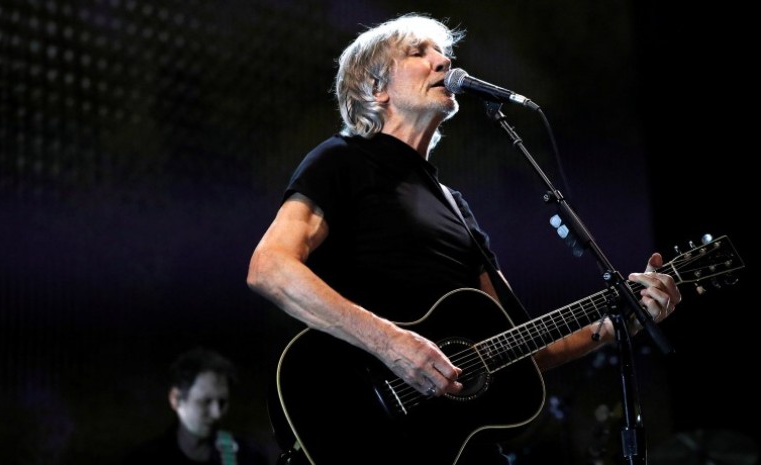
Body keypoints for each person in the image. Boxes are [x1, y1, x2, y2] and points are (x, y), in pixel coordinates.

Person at [246, 13, 681, 465]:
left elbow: (518, 347)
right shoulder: (340, 160)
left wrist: (617, 323)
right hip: (355, 422)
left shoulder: (454, 205)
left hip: (454, 446)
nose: (442, 61)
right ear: (376, 89)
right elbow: (270, 268)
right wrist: (392, 345)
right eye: (419, 53)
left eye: (442, 52)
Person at [122, 347, 270, 465]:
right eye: (205, 401)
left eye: (222, 402)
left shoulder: (249, 456)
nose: (217, 413)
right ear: (176, 399)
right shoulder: (144, 460)